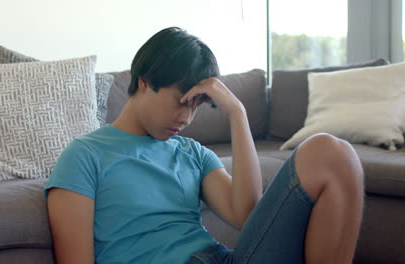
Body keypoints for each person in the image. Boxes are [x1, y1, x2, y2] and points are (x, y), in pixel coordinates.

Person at [44, 27, 365, 264]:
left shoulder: (193, 154)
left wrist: (237, 113)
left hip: (221, 259)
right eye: (180, 101)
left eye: (197, 105)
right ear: (144, 82)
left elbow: (248, 216)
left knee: (331, 154)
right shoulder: (85, 155)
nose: (186, 117)